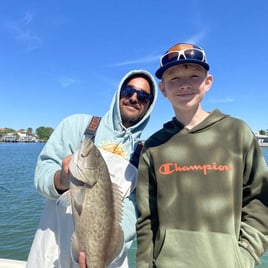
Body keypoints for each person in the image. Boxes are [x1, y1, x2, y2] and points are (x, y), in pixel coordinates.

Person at [135, 43, 268, 268]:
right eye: (174, 78)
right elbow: (146, 221)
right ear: (163, 89)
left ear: (208, 82)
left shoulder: (237, 132)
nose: (185, 84)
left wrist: (243, 257)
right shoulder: (153, 147)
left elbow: (259, 201)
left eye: (194, 75)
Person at [26, 69, 158, 268]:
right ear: (118, 93)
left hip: (106, 259)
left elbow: (135, 210)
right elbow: (40, 179)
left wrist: (105, 250)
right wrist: (62, 178)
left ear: (149, 105)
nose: (133, 98)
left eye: (143, 96)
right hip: (54, 248)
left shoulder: (144, 153)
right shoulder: (76, 125)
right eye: (128, 90)